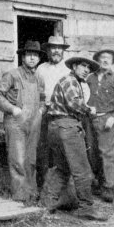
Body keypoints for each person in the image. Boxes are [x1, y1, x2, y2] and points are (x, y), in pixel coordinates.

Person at [41, 55, 107, 221]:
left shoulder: (70, 81)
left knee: (63, 168)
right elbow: (74, 104)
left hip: (56, 127)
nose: (86, 70)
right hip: (67, 127)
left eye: (89, 68)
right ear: (74, 66)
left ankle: (47, 204)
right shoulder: (70, 81)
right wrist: (89, 109)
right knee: (82, 169)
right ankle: (86, 207)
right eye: (83, 66)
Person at [0, 41, 46, 202]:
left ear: (38, 59)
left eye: (35, 55)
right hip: (15, 123)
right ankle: (20, 197)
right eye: (29, 55)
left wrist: (41, 111)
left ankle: (31, 194)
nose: (32, 58)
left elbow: (43, 98)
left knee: (31, 160)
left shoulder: (39, 78)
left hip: (34, 122)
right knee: (18, 160)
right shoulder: (12, 75)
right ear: (23, 57)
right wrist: (12, 109)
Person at [86, 49, 114, 203]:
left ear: (112, 61)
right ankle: (97, 184)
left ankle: (109, 187)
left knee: (108, 154)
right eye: (102, 58)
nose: (105, 60)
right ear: (97, 60)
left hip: (108, 121)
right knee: (92, 153)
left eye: (108, 58)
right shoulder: (90, 78)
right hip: (91, 120)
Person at [35, 35, 71, 188]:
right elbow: (36, 91)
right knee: (43, 149)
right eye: (53, 48)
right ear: (48, 51)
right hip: (45, 111)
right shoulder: (41, 68)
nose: (56, 51)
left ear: (63, 51)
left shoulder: (68, 69)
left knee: (61, 149)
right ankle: (44, 185)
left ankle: (62, 187)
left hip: (63, 113)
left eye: (59, 48)